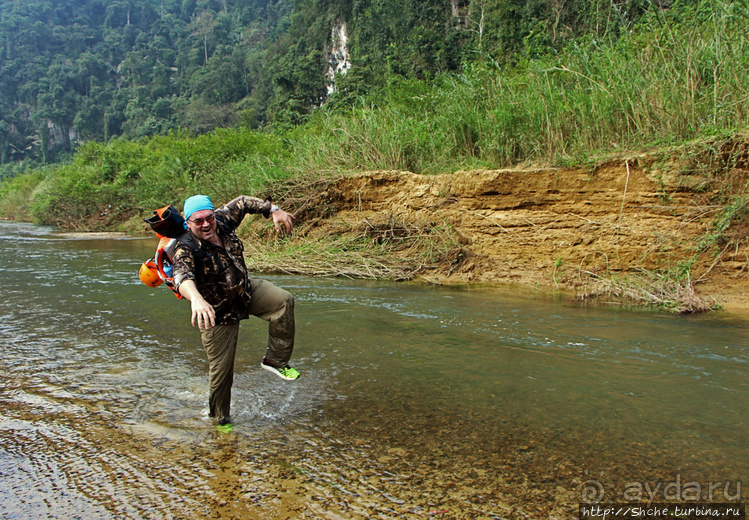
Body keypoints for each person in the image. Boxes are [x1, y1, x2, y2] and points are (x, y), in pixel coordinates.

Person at [172, 194, 299, 428]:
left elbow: (243, 201)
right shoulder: (185, 246)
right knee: (222, 374)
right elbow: (182, 276)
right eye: (198, 221)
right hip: (217, 314)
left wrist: (274, 210)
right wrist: (196, 299)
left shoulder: (222, 220)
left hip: (245, 293)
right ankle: (221, 421)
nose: (206, 224)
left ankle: (275, 361)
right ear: (187, 222)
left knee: (283, 301)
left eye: (208, 217)